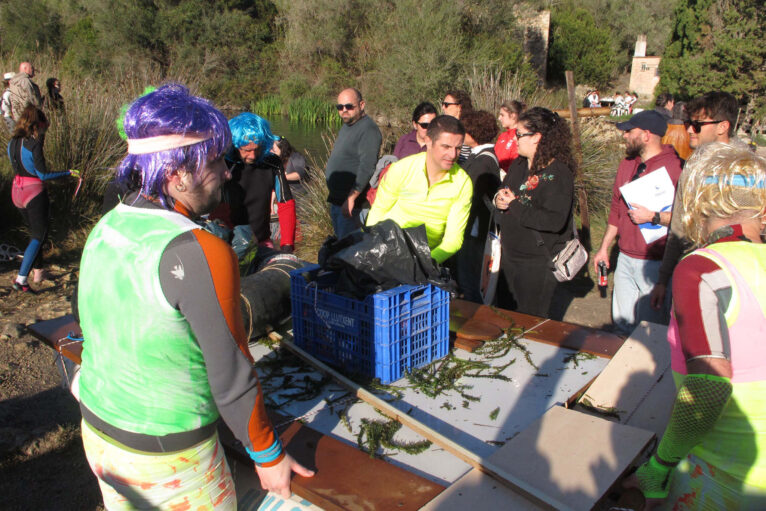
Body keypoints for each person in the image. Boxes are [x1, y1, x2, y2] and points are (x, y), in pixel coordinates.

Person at [76, 85, 313, 509]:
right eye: (215, 160)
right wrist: (269, 455)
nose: (226, 172)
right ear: (176, 172)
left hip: (99, 432)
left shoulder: (107, 226)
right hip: (170, 460)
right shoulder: (199, 250)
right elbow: (232, 374)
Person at [626, 143, 766, 509]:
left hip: (729, 473)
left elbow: (708, 385)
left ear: (696, 200)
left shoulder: (702, 268)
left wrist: (661, 464)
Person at [592, 110, 683, 336]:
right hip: (625, 258)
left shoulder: (677, 168)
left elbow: (686, 219)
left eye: (629, 131)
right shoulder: (627, 164)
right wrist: (604, 248)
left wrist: (654, 217)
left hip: (655, 264)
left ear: (646, 135)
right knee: (620, 325)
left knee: (650, 332)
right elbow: (616, 210)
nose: (624, 136)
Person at [650, 92, 740, 310]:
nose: (689, 129)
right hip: (690, 274)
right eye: (688, 123)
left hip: (733, 279)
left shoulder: (746, 170)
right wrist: (663, 279)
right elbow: (678, 227)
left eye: (697, 125)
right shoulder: (692, 166)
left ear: (722, 127)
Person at [493, 107, 576, 317]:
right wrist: (498, 200)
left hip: (536, 264)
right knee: (505, 317)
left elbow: (554, 221)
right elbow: (504, 190)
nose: (515, 139)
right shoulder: (519, 164)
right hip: (509, 257)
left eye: (519, 134)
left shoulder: (559, 174)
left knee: (529, 324)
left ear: (537, 137)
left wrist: (514, 205)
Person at [366, 115, 472, 264]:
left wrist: (425, 264)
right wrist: (371, 246)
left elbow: (453, 240)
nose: (453, 155)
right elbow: (378, 211)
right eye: (446, 147)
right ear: (428, 141)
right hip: (387, 248)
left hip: (427, 257)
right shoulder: (401, 169)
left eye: (458, 148)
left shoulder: (463, 183)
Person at [9, 106, 77, 292]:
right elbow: (43, 175)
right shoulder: (34, 144)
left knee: (35, 236)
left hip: (17, 190)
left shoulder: (12, 142)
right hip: (34, 192)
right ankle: (21, 279)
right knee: (39, 236)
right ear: (37, 124)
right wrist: (68, 173)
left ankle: (38, 272)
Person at [216, 113, 296, 255]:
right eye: (247, 150)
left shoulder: (272, 163)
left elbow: (285, 203)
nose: (252, 156)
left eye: (257, 149)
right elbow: (218, 208)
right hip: (230, 243)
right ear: (234, 145)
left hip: (263, 241)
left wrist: (287, 244)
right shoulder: (224, 165)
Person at [453, 110, 501, 302]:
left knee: (470, 280)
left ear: (474, 132)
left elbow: (470, 194)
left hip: (475, 229)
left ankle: (475, 321)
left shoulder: (485, 160)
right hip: (472, 228)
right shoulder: (479, 156)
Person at [325, 87, 382, 238]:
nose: (344, 110)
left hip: (353, 206)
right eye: (340, 107)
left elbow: (367, 167)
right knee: (340, 247)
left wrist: (351, 198)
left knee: (350, 251)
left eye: (349, 106)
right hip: (337, 201)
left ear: (362, 105)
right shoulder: (347, 126)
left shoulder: (368, 130)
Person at [494, 100, 526, 174]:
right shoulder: (503, 136)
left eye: (502, 115)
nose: (499, 118)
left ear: (513, 116)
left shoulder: (521, 136)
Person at [441, 90, 473, 163]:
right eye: (443, 104)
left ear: (459, 107)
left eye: (446, 104)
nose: (443, 107)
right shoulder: (446, 127)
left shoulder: (469, 128)